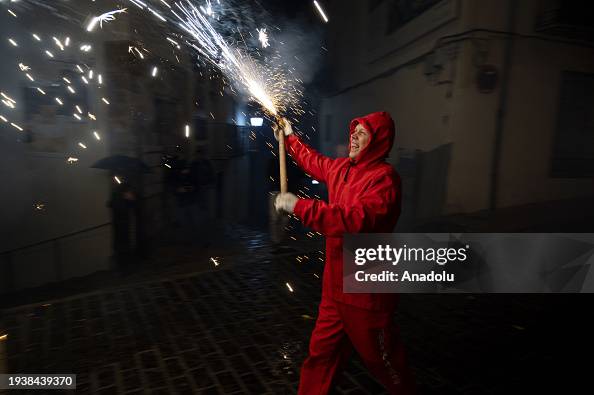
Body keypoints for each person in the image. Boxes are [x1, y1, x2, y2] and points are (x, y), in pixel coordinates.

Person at [273, 112, 416, 394]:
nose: (353, 136)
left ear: (378, 143)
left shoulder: (385, 180)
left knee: (384, 363)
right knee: (321, 357)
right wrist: (290, 139)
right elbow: (315, 162)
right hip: (334, 291)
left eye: (363, 133)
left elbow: (355, 220)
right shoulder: (342, 169)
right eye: (354, 132)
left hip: (366, 294)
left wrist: (300, 207)